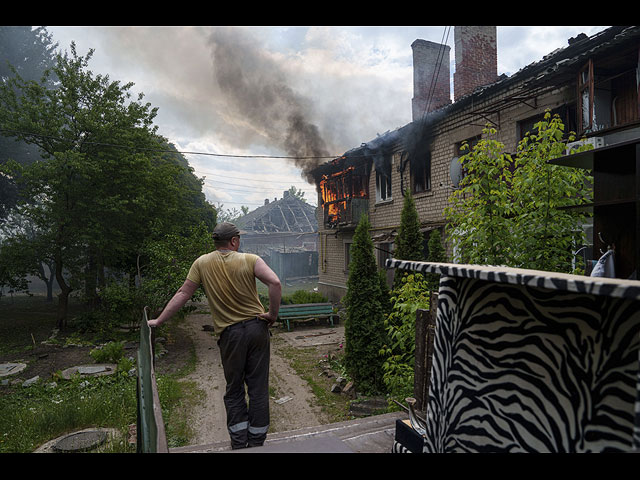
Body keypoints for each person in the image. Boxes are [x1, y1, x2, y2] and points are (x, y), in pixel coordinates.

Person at [148, 222, 281, 449]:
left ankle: (239, 443)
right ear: (234, 241)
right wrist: (272, 314)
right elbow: (275, 282)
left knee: (234, 388)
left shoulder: (201, 263)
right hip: (257, 329)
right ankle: (257, 442)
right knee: (258, 388)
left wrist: (159, 320)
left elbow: (183, 293)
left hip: (231, 335)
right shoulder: (250, 259)